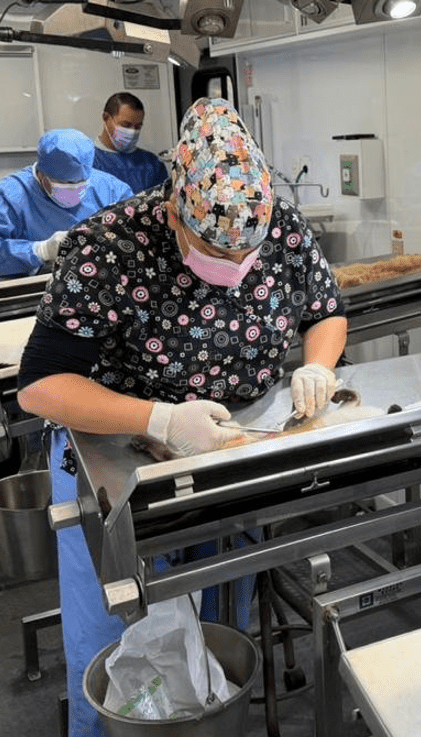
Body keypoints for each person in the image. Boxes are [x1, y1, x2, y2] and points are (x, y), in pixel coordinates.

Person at [17, 97, 348, 737]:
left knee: (219, 620)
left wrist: (318, 365)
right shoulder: (108, 247)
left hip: (229, 451)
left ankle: (209, 717)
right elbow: (41, 387)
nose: (234, 270)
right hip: (119, 462)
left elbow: (325, 311)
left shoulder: (281, 227)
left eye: (246, 255)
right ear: (174, 210)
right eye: (213, 251)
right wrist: (161, 421)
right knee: (119, 640)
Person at [0, 129, 133, 278]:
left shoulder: (112, 190)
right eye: (63, 183)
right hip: (34, 286)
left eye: (81, 183)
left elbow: (134, 235)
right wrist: (41, 250)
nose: (73, 188)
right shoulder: (10, 196)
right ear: (41, 173)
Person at [93, 91, 169, 194]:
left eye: (137, 127)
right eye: (125, 125)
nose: (132, 132)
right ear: (106, 118)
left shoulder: (152, 164)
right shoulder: (87, 164)